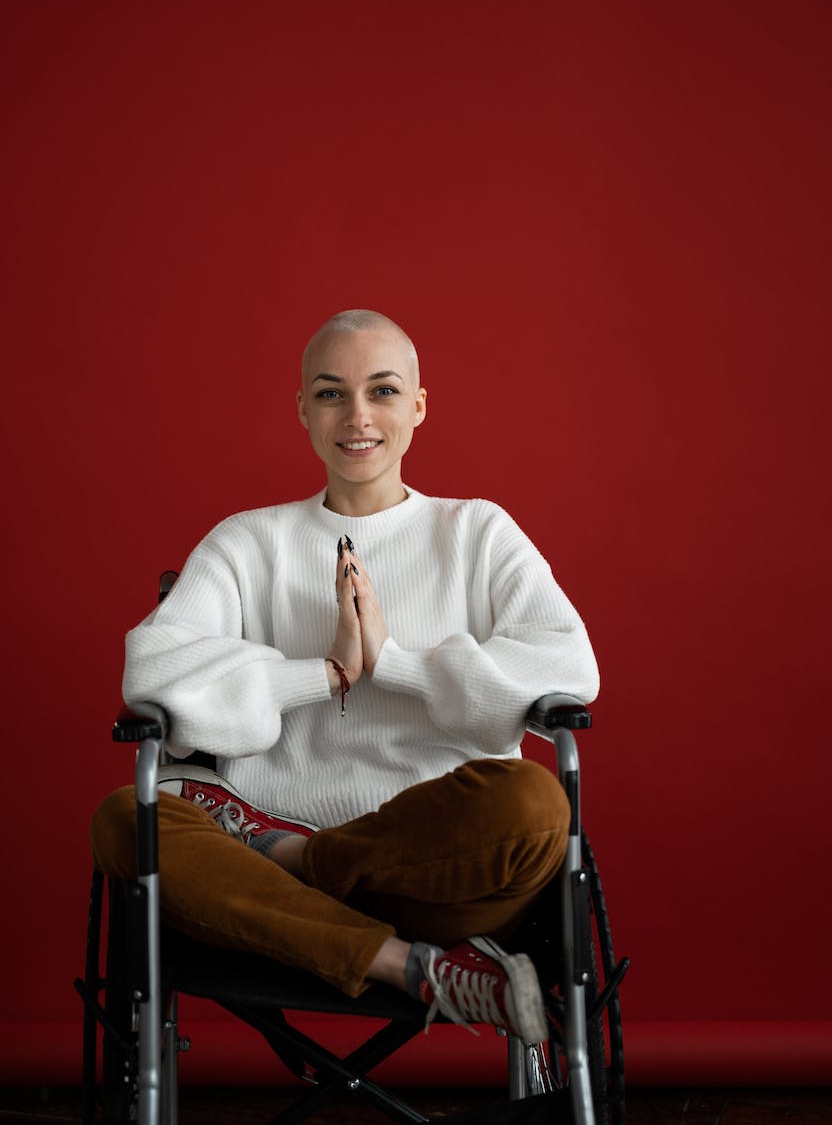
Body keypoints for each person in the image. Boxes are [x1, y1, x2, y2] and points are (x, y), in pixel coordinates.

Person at [90, 309, 600, 1047]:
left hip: (422, 872)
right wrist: (319, 675)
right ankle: (407, 966)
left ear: (418, 406)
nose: (357, 416)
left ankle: (299, 860)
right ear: (303, 410)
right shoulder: (246, 542)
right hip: (262, 875)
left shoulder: (477, 533)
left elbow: (568, 666)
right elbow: (153, 670)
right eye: (331, 394)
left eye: (383, 391)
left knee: (532, 803)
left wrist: (394, 663)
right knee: (124, 819)